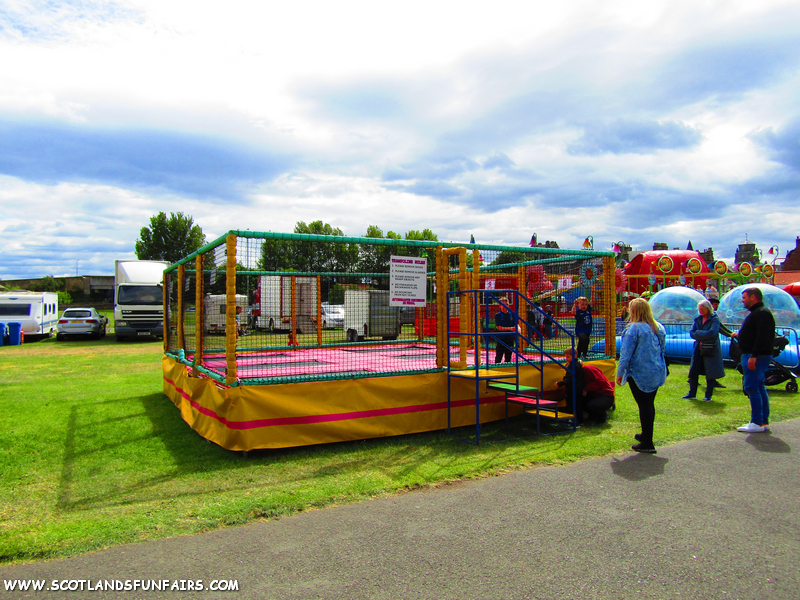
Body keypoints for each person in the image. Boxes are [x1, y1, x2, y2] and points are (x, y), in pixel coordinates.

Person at [616, 298, 667, 453]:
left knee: (644, 405)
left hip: (639, 372)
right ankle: (646, 434)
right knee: (649, 403)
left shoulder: (634, 329)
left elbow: (626, 354)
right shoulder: (658, 327)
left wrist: (620, 373)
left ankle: (648, 442)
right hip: (655, 369)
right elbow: (662, 348)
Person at [730, 287, 776, 433]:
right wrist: (740, 335)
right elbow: (756, 333)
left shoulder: (761, 313)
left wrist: (754, 355)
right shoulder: (759, 313)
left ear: (753, 297)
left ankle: (756, 421)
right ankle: (762, 421)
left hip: (755, 355)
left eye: (744, 297)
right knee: (759, 386)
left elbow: (762, 336)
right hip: (756, 354)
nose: (742, 301)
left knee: (752, 387)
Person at [556, 348, 615, 425]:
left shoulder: (589, 369)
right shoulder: (578, 376)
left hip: (605, 396)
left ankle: (602, 416)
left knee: (592, 405)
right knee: (579, 401)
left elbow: (601, 381)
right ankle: (591, 416)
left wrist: (587, 388)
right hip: (593, 395)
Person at [683, 299, 725, 402]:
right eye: (699, 309)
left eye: (702, 309)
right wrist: (702, 335)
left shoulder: (714, 319)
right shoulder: (697, 319)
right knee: (694, 371)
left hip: (710, 349)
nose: (700, 311)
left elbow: (712, 332)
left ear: (708, 309)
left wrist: (699, 334)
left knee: (710, 372)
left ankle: (708, 395)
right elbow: (692, 333)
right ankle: (692, 393)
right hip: (698, 348)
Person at [493, 297, 517, 363]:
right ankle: (496, 369)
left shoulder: (512, 314)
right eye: (502, 305)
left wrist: (518, 329)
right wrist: (510, 328)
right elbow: (499, 327)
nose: (504, 306)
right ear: (499, 306)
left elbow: (516, 324)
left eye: (505, 305)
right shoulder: (498, 315)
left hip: (510, 339)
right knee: (498, 357)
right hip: (501, 339)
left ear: (508, 305)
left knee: (508, 357)